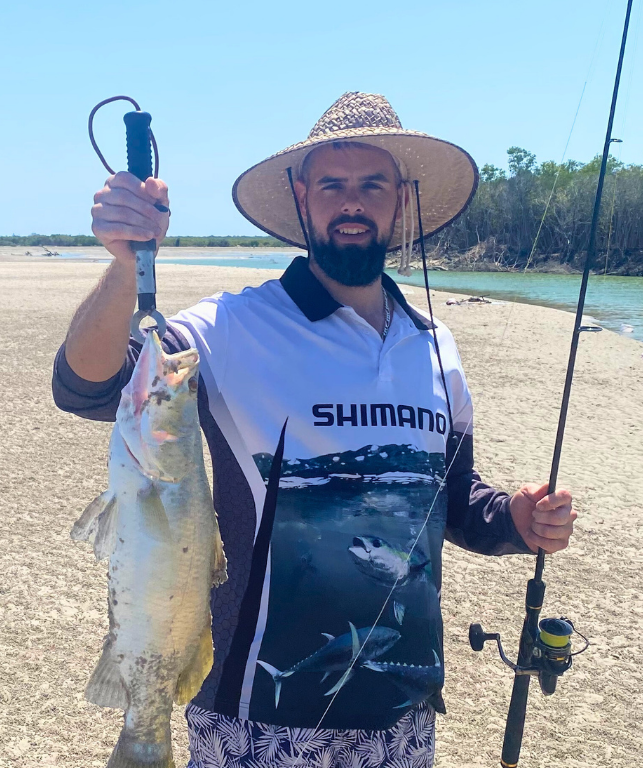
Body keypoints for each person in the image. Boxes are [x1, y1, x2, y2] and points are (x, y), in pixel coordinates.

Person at [52, 92, 576, 767]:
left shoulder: (435, 346)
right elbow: (89, 386)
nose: (351, 203)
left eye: (372, 185)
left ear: (401, 200)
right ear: (302, 197)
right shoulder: (231, 328)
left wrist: (515, 519)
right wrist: (126, 265)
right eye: (332, 185)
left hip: (404, 714)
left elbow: (451, 498)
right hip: (255, 719)